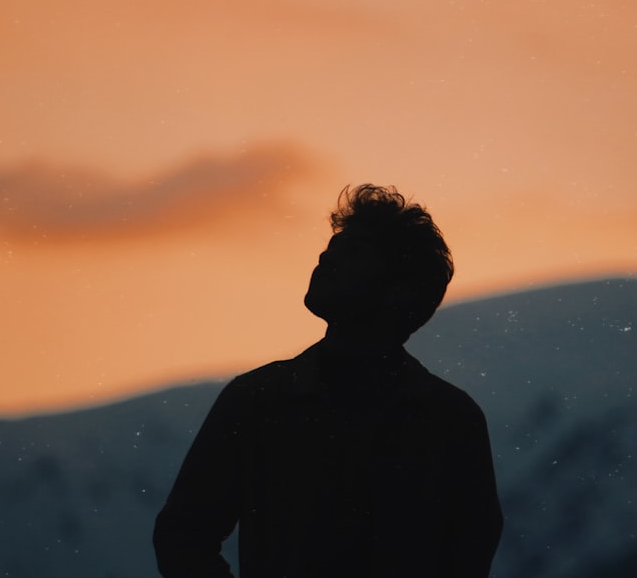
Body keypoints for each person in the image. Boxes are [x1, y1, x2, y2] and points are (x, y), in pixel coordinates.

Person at [153, 184, 503, 578]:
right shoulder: (256, 400)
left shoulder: (450, 421)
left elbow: (470, 552)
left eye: (354, 250)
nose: (326, 255)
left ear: (399, 291)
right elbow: (184, 535)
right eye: (334, 246)